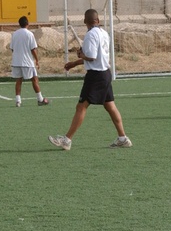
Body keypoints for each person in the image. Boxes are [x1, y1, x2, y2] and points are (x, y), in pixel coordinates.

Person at [48, 9, 132, 150]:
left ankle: (67, 140)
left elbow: (92, 57)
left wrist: (81, 55)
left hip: (96, 76)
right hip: (105, 73)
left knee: (81, 107)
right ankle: (123, 138)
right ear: (98, 21)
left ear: (85, 22)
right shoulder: (104, 33)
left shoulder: (90, 35)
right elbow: (98, 57)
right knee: (110, 106)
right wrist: (75, 63)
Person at [9, 16, 50, 107]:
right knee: (34, 79)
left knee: (18, 80)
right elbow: (33, 49)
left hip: (16, 62)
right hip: (27, 62)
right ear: (27, 24)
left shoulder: (14, 34)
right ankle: (40, 99)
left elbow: (12, 48)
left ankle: (18, 101)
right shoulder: (29, 34)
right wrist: (37, 60)